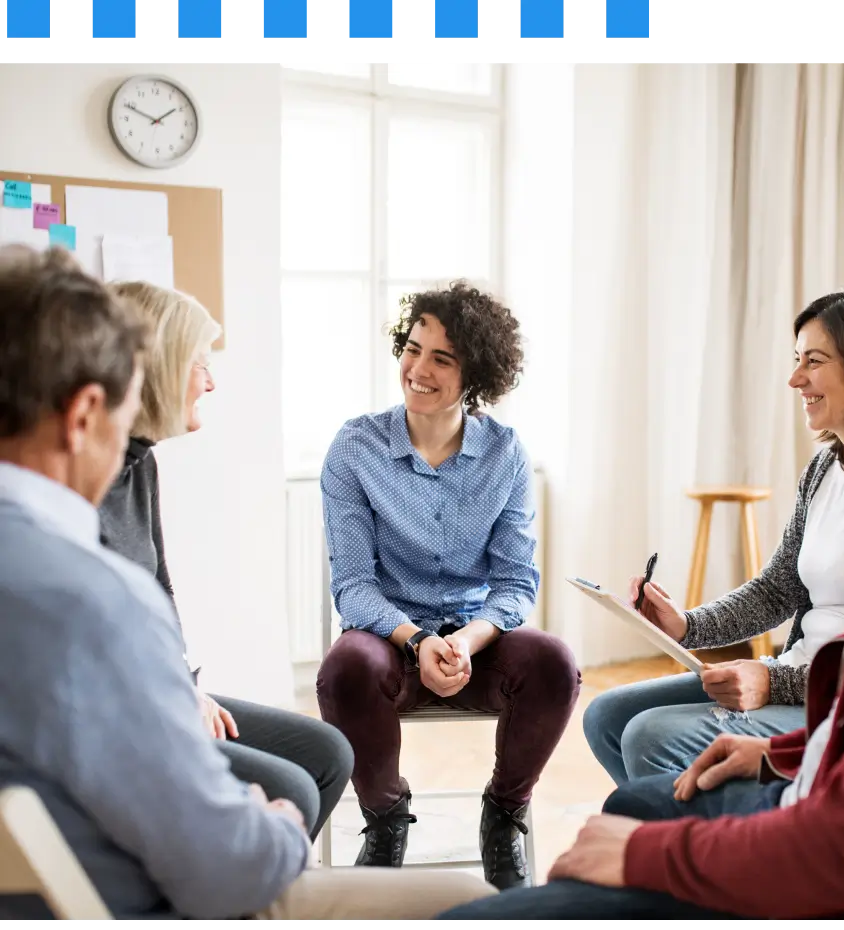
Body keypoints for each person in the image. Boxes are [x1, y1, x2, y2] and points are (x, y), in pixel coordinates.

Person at [439, 195, 844, 920]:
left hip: (831, 881)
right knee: (631, 785)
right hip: (813, 789)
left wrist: (643, 856)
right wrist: (776, 753)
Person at [0, 245, 497, 920]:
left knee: (319, 753)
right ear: (85, 414)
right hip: (149, 897)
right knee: (469, 901)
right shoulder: (91, 601)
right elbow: (230, 867)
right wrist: (280, 821)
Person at [583, 284, 844, 785]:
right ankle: (724, 832)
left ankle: (730, 846)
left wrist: (774, 680)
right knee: (607, 718)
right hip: (798, 674)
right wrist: (685, 626)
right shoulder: (825, 467)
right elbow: (779, 589)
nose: (795, 379)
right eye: (797, 360)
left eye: (813, 361)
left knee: (650, 738)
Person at [316, 281, 581, 889]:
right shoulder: (356, 448)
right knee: (345, 667)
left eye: (443, 358)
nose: (419, 369)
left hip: (475, 650)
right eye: (413, 348)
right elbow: (354, 586)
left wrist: (467, 640)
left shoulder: (506, 453)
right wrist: (416, 642)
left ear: (477, 374)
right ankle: (385, 821)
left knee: (554, 662)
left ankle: (503, 816)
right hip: (390, 643)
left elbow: (516, 582)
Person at [96, 280, 353, 843]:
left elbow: (158, 590)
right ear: (160, 366)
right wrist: (174, 695)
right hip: (125, 711)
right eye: (199, 363)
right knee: (295, 790)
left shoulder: (142, 465)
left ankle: (267, 890)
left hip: (162, 688)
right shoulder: (81, 478)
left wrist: (186, 684)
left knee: (329, 752)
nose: (211, 381)